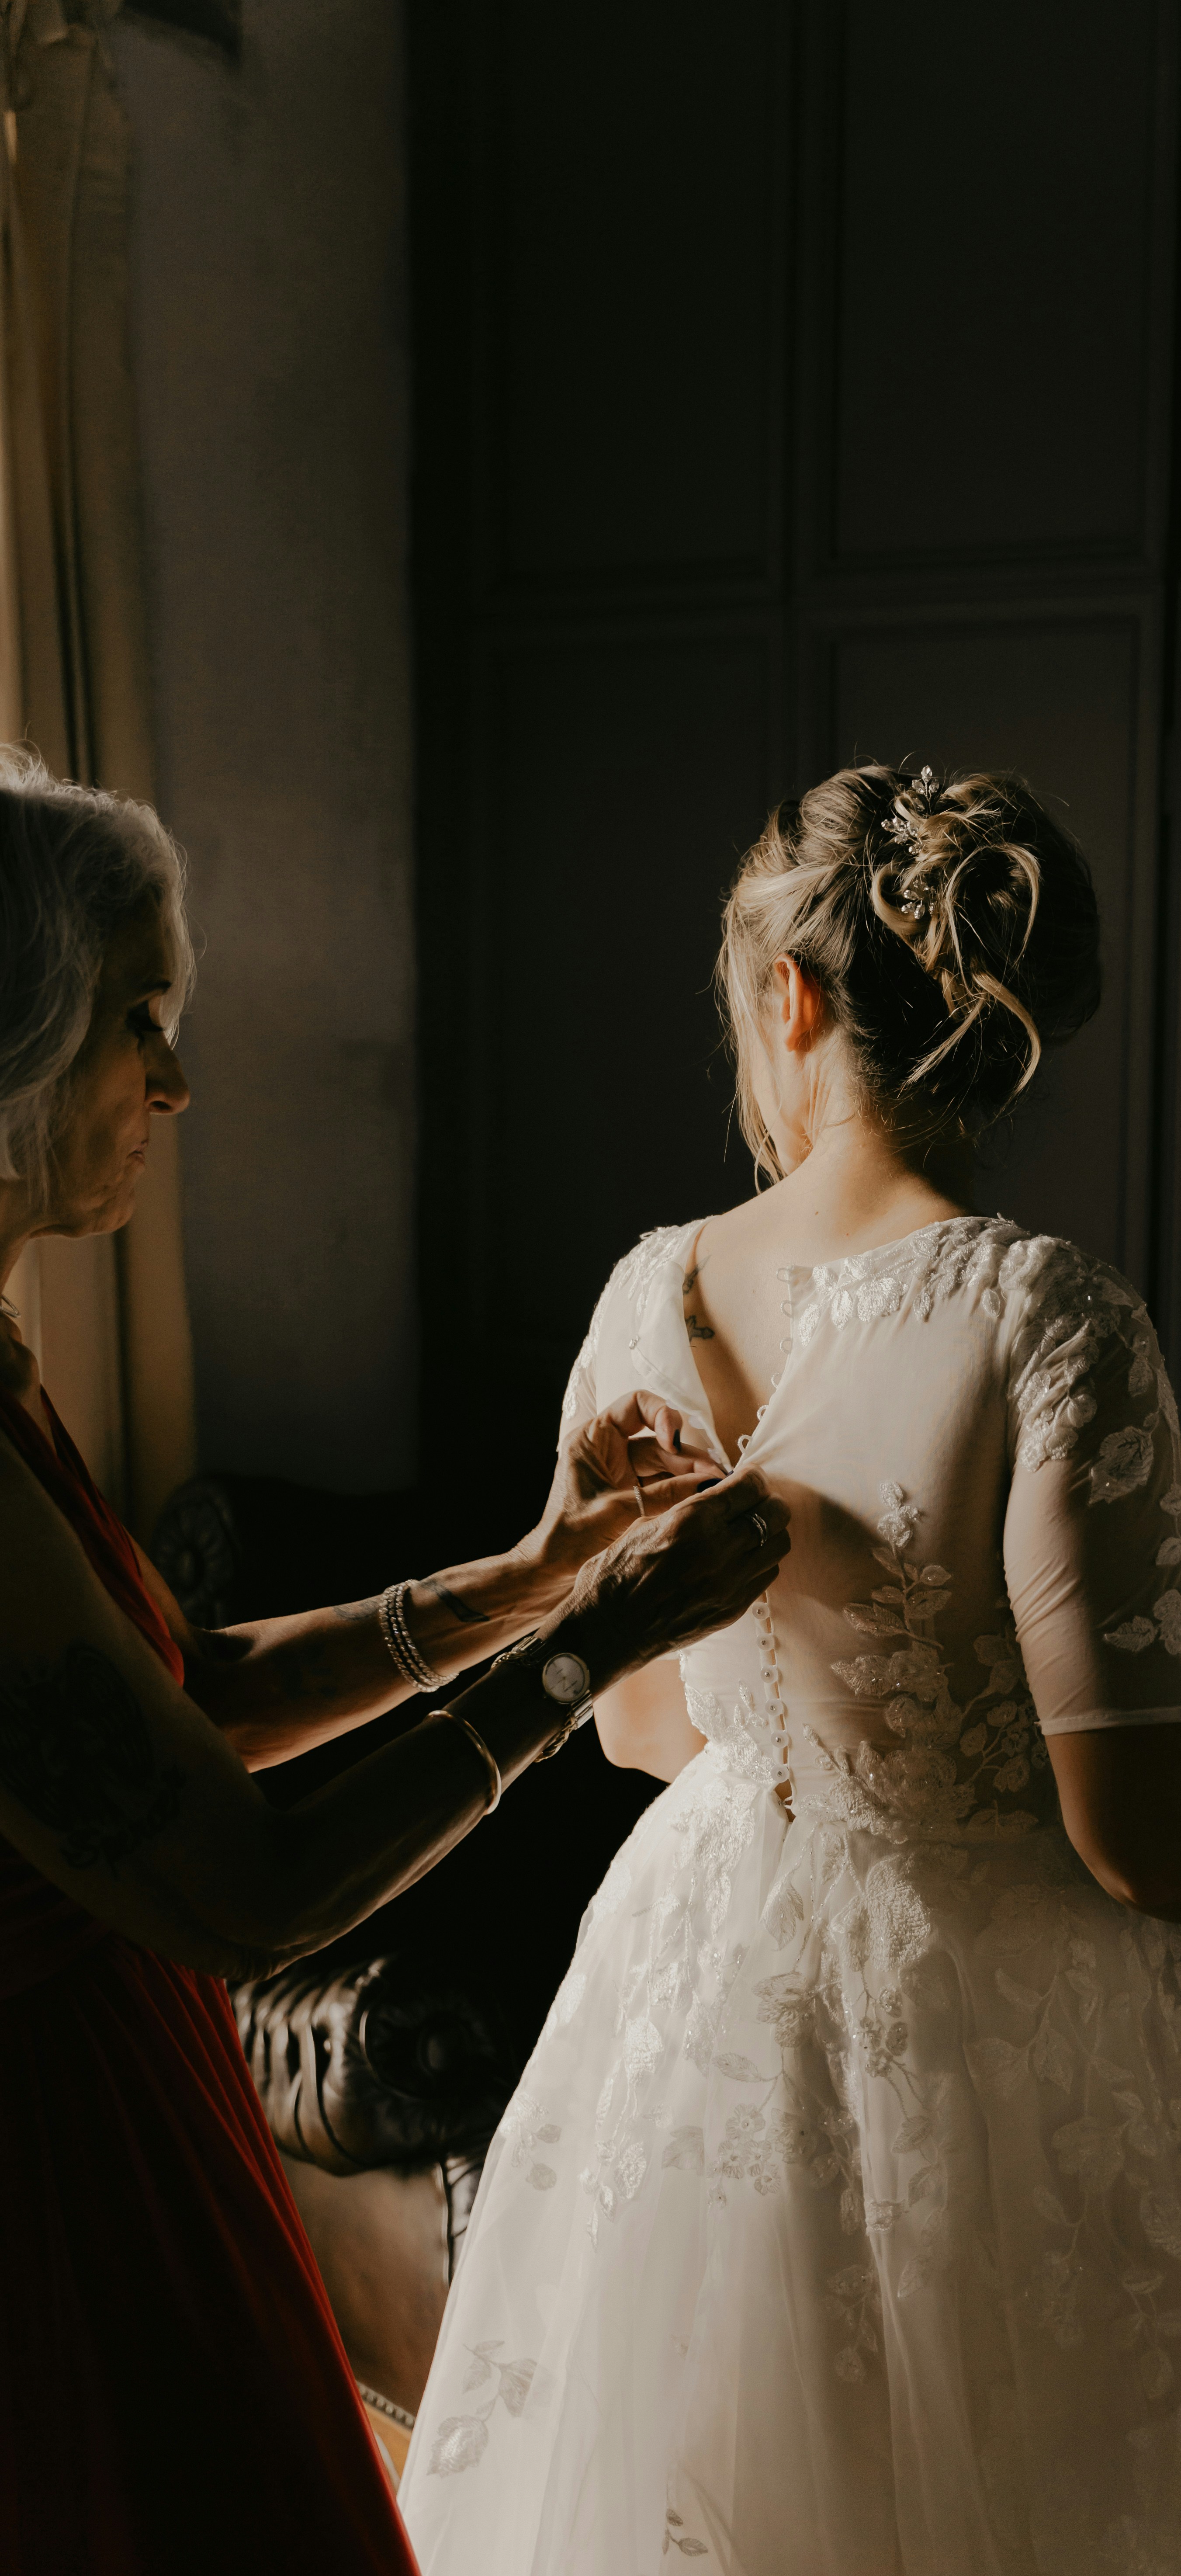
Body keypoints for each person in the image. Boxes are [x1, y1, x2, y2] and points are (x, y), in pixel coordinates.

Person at [400, 764, 1181, 2574]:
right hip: (987, 2002)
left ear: (787, 995)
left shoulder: (646, 1295)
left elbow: (636, 1728)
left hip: (696, 1973)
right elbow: (1134, 1831)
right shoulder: (1043, 1316)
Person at [0, 751, 790, 2575]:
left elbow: (174, 1683)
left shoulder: (6, 1357)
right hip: (50, 2172)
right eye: (138, 1020)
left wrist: (521, 1579)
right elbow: (245, 1886)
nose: (175, 1080)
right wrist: (594, 1654)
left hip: (125, 2094)